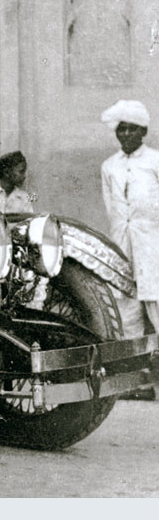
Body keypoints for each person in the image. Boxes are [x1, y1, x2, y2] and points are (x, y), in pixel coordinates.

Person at [100, 100, 159, 352]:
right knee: (125, 302)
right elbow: (111, 207)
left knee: (155, 295)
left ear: (143, 131)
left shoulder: (155, 161)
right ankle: (136, 371)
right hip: (123, 243)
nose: (125, 134)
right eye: (121, 129)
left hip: (153, 244)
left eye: (132, 129)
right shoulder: (109, 166)